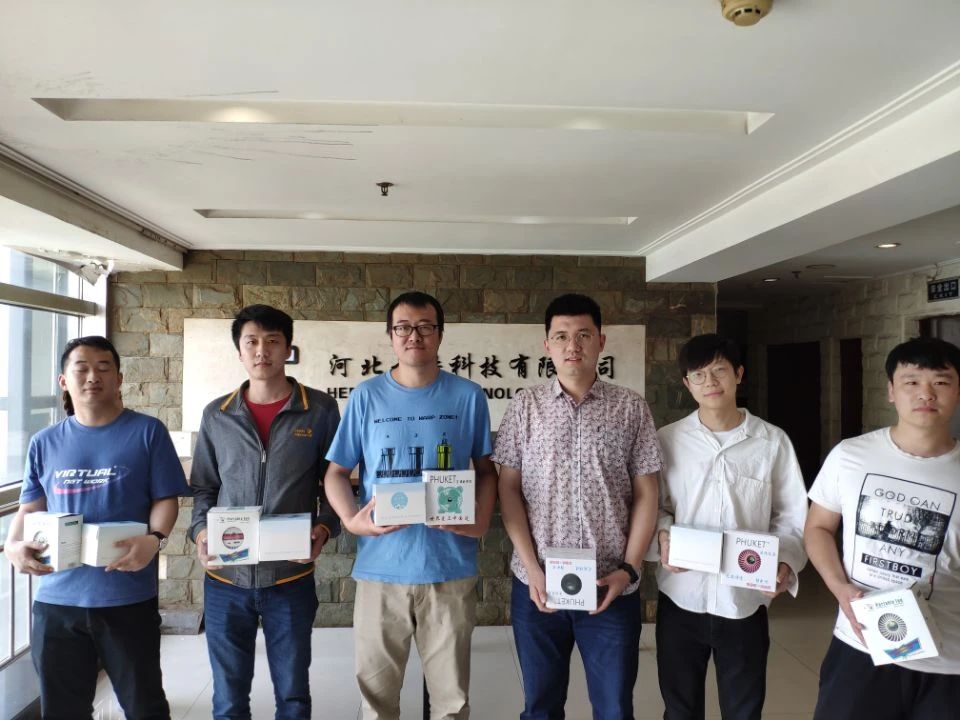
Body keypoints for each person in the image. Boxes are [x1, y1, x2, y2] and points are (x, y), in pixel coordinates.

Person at [323, 290, 498, 720]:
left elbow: (487, 471)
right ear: (390, 335)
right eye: (403, 327)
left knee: (451, 702)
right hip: (381, 571)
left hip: (448, 567)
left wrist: (479, 521)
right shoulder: (366, 396)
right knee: (376, 701)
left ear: (440, 334)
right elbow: (335, 473)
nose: (413, 335)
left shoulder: (468, 396)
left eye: (424, 327)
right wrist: (351, 520)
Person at [494, 292, 661, 720]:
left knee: (614, 708)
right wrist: (532, 568)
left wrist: (629, 569)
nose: (573, 346)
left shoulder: (630, 407)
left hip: (610, 586)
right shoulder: (525, 406)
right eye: (562, 336)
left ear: (601, 341)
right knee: (541, 706)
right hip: (538, 585)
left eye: (584, 335)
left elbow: (647, 492)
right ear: (546, 345)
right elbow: (508, 490)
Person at [3, 335, 188, 720]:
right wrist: (13, 545)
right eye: (82, 369)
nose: (93, 377)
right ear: (63, 380)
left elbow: (165, 498)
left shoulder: (147, 432)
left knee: (145, 707)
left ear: (119, 379)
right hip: (57, 601)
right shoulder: (44, 441)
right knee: (62, 711)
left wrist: (155, 539)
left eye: (104, 368)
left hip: (127, 596)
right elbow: (31, 507)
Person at [190, 304, 341, 720]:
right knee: (228, 698)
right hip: (226, 580)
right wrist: (201, 531)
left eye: (273, 341)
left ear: (288, 349)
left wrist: (325, 527)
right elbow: (204, 487)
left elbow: (336, 482)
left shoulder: (319, 410)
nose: (262, 350)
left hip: (289, 578)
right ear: (239, 350)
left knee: (293, 694)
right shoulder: (217, 414)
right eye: (252, 341)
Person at [654, 333, 808, 720]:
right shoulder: (667, 440)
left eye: (719, 371)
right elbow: (655, 506)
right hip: (681, 597)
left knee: (744, 709)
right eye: (699, 375)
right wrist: (663, 536)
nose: (710, 382)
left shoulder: (772, 442)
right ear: (687, 384)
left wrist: (785, 562)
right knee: (680, 709)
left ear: (738, 374)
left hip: (744, 600)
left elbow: (791, 515)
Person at [805, 337, 960, 719]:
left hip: (949, 661)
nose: (926, 393)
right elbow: (818, 528)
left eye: (941, 382)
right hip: (861, 646)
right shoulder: (850, 455)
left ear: (958, 391)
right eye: (912, 381)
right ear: (891, 390)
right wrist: (839, 588)